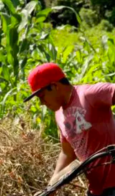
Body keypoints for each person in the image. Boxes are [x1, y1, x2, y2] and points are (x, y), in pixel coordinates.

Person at [24, 62, 115, 196]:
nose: (42, 103)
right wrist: (50, 187)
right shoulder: (59, 114)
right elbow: (68, 153)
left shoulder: (88, 95)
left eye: (42, 97)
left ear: (54, 86)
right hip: (96, 190)